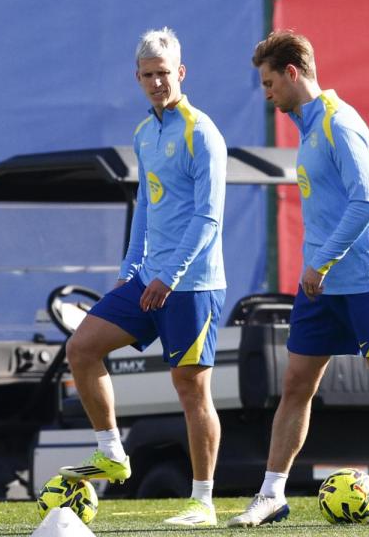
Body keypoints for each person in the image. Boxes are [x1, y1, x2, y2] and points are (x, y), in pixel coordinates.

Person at [228, 30, 369, 527]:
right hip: (321, 287)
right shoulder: (305, 128)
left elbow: (365, 203)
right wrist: (319, 266)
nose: (265, 93)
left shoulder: (339, 124)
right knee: (296, 383)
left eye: (268, 82)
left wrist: (321, 260)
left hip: (367, 279)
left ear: (292, 73)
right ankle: (272, 495)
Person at [56, 28, 228, 527]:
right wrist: (128, 271)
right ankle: (111, 451)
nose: (157, 82)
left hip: (192, 283)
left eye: (164, 73)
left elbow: (208, 218)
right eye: (148, 75)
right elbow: (146, 208)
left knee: (190, 388)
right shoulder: (143, 132)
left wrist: (169, 276)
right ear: (137, 77)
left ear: (182, 72)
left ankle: (202, 502)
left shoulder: (202, 132)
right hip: (148, 278)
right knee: (82, 348)